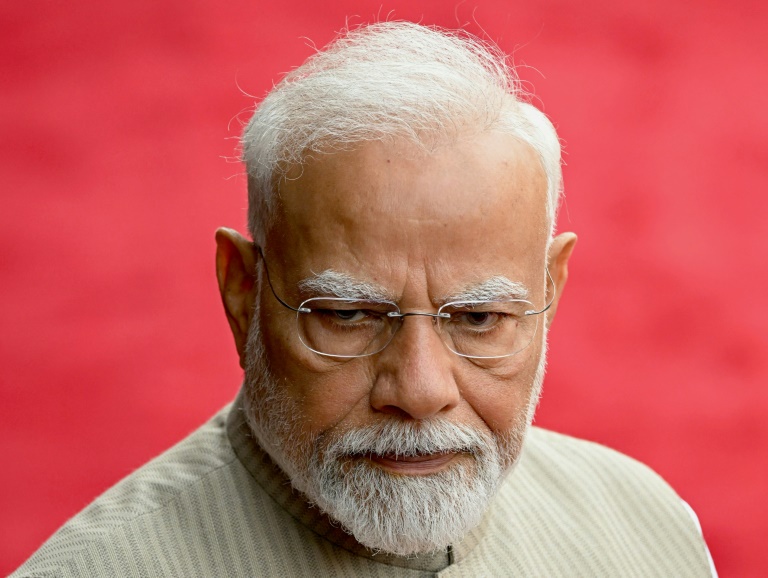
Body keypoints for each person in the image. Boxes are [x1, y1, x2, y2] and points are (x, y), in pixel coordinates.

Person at [13, 21, 715, 577]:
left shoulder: (647, 532)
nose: (420, 391)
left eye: (479, 318)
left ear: (549, 293)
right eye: (348, 315)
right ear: (242, 294)